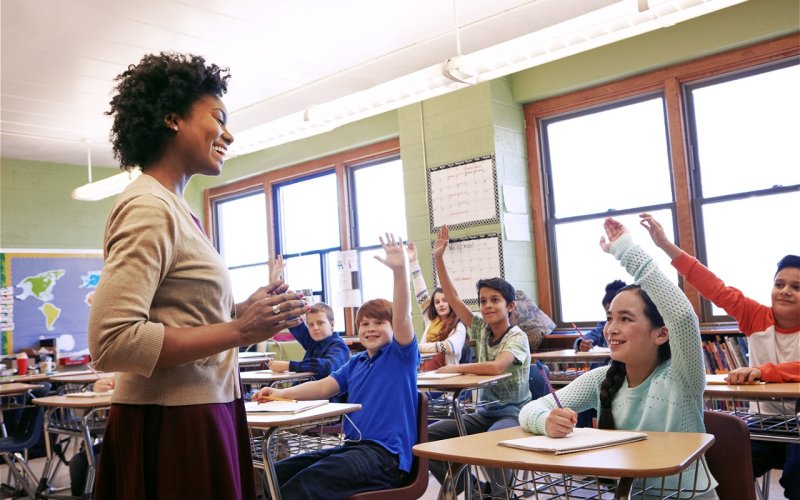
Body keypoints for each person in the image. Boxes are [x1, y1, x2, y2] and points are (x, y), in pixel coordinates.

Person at [87, 52, 308, 500]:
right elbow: (112, 341)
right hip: (172, 423)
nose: (228, 133)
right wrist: (237, 328)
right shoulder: (150, 206)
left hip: (204, 407)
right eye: (217, 117)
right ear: (172, 118)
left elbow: (180, 314)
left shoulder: (175, 207)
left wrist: (243, 312)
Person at [518, 216, 717, 496]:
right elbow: (530, 410)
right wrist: (546, 422)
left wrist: (626, 250)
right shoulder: (603, 378)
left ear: (661, 333)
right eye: (610, 318)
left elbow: (683, 316)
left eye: (626, 319)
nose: (612, 329)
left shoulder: (681, 376)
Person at [643, 212, 799, 499]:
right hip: (762, 424)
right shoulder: (755, 315)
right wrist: (665, 244)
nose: (785, 291)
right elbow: (712, 285)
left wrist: (763, 372)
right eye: (779, 284)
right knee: (717, 463)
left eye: (796, 287)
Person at [252, 233, 419, 499]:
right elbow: (322, 386)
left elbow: (402, 316)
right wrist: (280, 393)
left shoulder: (401, 357)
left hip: (386, 456)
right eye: (365, 323)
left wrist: (400, 272)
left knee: (304, 486)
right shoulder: (357, 362)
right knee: (275, 474)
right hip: (353, 446)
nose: (371, 328)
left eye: (379, 323)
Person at [428, 225, 532, 497]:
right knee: (428, 436)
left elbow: (497, 366)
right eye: (483, 300)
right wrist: (438, 258)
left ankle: (503, 495)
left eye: (494, 300)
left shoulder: (517, 337)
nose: (487, 306)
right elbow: (451, 297)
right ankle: (474, 489)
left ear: (510, 306)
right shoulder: (480, 329)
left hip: (514, 414)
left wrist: (457, 366)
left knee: (490, 446)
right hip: (485, 413)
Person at [407, 241, 467, 371]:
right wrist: (413, 262)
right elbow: (420, 293)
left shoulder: (459, 326)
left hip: (446, 379)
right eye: (437, 302)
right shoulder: (431, 320)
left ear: (452, 302)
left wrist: (419, 347)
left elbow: (450, 346)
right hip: (424, 373)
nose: (441, 304)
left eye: (445, 300)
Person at [69, 377, 114, 497]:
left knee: (99, 463)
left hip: (140, 438)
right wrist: (99, 386)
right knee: (78, 462)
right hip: (117, 436)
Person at [574, 279, 627, 352]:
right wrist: (582, 343)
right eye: (609, 318)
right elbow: (589, 337)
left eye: (623, 318)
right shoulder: (602, 328)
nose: (612, 327)